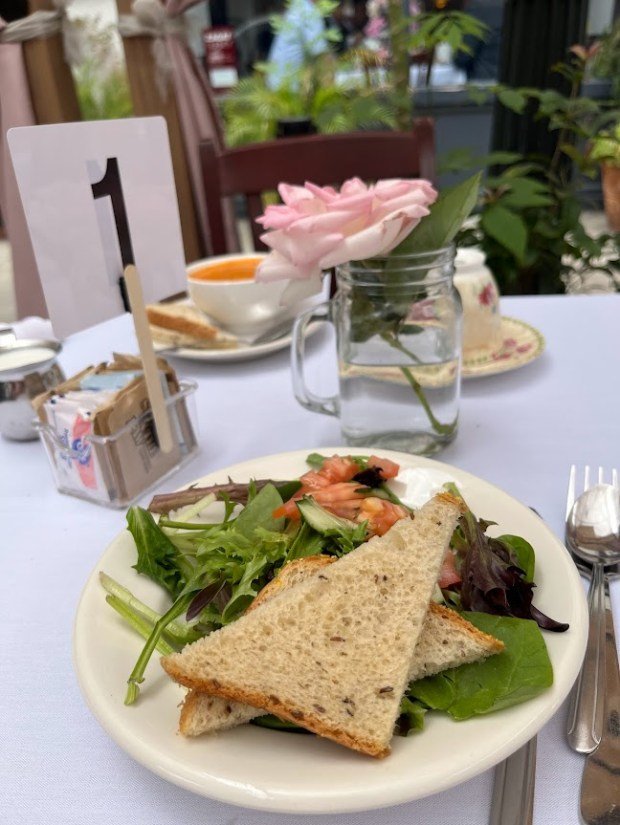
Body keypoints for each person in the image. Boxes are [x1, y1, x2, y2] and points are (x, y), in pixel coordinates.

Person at [266, 0, 330, 89]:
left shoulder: (298, 6)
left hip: (276, 85)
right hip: (287, 89)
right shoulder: (309, 12)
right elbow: (321, 56)